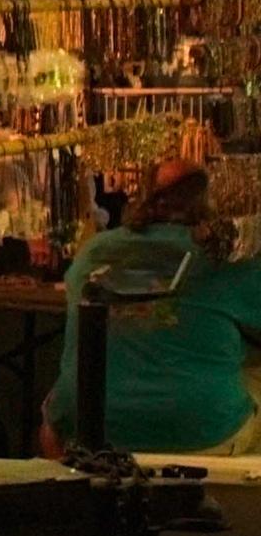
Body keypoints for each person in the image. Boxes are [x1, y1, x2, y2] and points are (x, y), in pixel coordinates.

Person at [43, 159, 261, 458]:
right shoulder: (224, 259)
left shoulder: (95, 249)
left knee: (53, 410)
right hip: (200, 430)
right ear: (207, 200)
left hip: (88, 430)